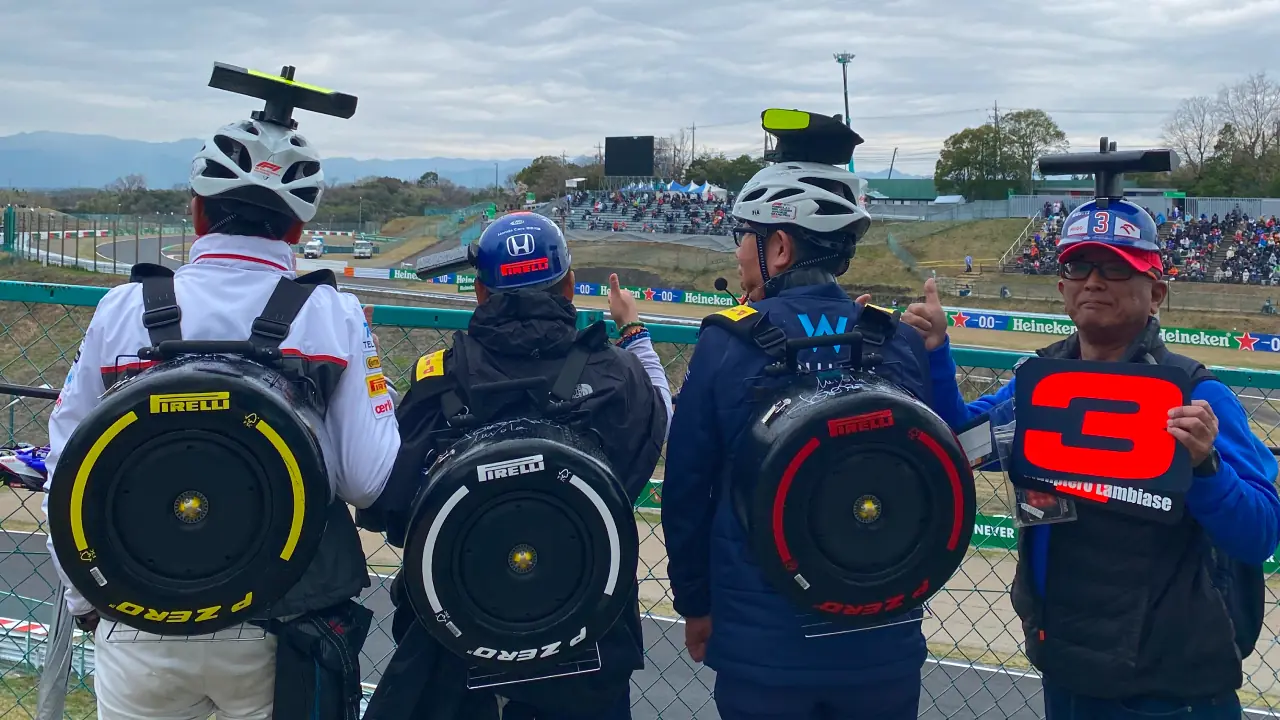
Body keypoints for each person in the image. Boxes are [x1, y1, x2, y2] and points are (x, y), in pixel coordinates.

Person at [42, 114, 401, 720]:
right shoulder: (333, 315)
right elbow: (368, 480)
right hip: (281, 611)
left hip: (137, 611)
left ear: (197, 211)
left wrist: (87, 596)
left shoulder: (122, 308)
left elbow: (64, 464)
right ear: (295, 224)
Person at [904, 199, 1280, 719]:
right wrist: (936, 353)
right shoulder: (1038, 382)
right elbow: (962, 444)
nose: (1094, 281)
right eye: (1079, 266)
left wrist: (1207, 469)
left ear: (1156, 294)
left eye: (1117, 266)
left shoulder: (1198, 395)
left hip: (1176, 690)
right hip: (1066, 668)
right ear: (1062, 289)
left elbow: (1260, 534)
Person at [359, 212, 671, 720]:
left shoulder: (434, 378)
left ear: (481, 293)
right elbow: (654, 434)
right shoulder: (622, 375)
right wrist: (634, 331)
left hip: (453, 644)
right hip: (589, 631)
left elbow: (393, 508)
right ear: (569, 285)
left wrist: (369, 366)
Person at [662, 157, 935, 719]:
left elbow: (686, 492)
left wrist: (694, 603)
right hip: (884, 639)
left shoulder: (726, 344)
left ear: (779, 247)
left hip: (763, 647)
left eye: (745, 237)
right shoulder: (895, 340)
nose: (739, 252)